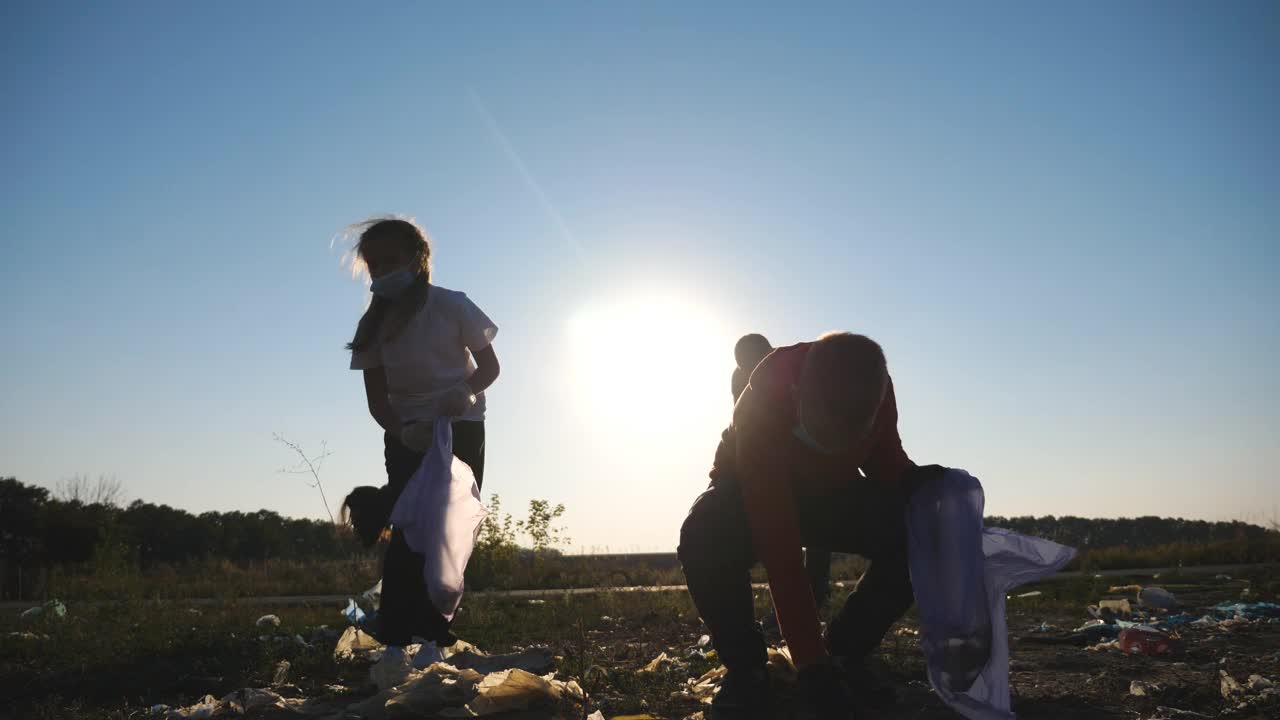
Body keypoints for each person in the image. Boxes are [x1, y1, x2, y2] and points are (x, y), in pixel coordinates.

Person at [679, 332, 941, 719]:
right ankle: (747, 669)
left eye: (849, 438)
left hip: (830, 490)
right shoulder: (763, 399)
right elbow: (781, 549)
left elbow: (885, 460)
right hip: (753, 486)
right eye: (824, 434)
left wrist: (913, 481)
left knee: (920, 531)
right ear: (797, 393)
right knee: (704, 532)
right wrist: (809, 664)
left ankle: (844, 653)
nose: (836, 445)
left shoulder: (877, 387)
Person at [339, 217, 500, 673]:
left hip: (461, 427)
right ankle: (394, 639)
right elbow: (376, 400)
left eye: (391, 261)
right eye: (374, 265)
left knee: (447, 532)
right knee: (409, 533)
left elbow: (489, 367)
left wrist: (465, 392)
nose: (383, 271)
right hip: (408, 435)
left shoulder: (452, 306)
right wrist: (400, 430)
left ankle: (434, 637)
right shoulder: (373, 326)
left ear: (417, 259)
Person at [731, 334, 834, 635]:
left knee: (817, 539)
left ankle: (812, 606)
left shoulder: (790, 369)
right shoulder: (740, 379)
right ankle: (785, 619)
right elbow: (741, 422)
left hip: (807, 459)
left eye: (758, 362)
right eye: (746, 366)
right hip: (762, 462)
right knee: (772, 542)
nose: (754, 371)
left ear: (768, 353)